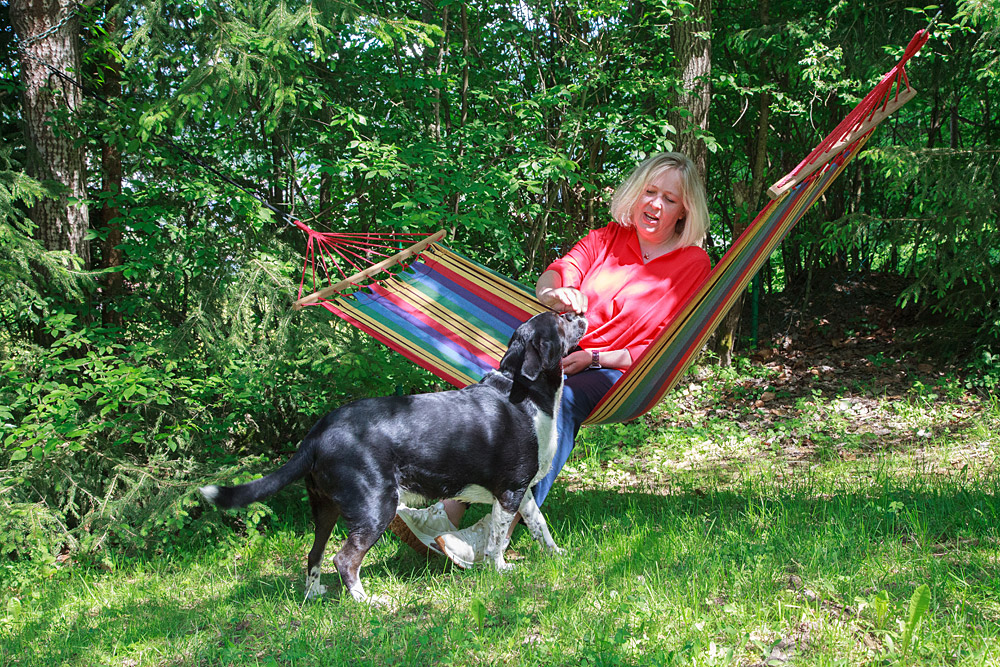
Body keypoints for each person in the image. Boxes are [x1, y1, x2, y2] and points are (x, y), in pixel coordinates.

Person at [389, 152, 712, 567]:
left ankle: (490, 535)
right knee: (502, 400)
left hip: (623, 370)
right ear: (636, 193)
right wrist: (554, 292)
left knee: (558, 406)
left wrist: (595, 358)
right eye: (650, 192)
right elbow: (561, 270)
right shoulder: (607, 238)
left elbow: (667, 345)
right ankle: (446, 511)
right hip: (562, 352)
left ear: (684, 210)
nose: (655, 205)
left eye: (670, 199)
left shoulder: (692, 264)